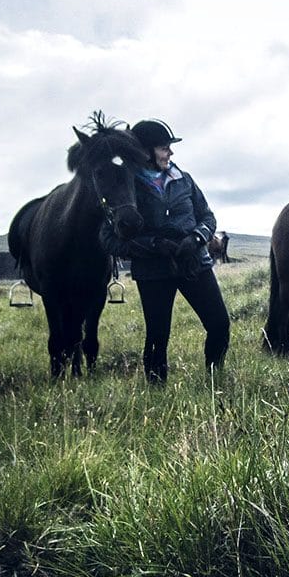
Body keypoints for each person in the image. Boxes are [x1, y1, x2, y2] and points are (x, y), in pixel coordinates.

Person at [100, 118, 230, 383]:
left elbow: (207, 217)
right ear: (145, 152)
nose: (170, 153)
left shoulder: (185, 179)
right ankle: (157, 392)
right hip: (153, 272)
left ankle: (215, 380)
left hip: (195, 263)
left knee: (220, 324)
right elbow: (109, 240)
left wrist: (196, 239)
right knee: (158, 336)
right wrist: (154, 245)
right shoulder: (125, 186)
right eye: (164, 147)